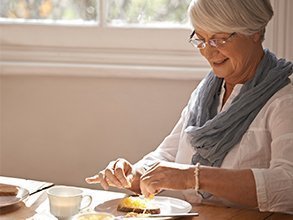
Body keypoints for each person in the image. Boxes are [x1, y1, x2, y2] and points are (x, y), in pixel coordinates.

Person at [86, 0, 293, 214]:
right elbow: (168, 156)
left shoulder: (284, 102)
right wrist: (132, 175)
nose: (208, 52)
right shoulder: (206, 94)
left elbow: (288, 185)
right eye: (201, 39)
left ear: (255, 32)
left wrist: (192, 177)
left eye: (219, 39)